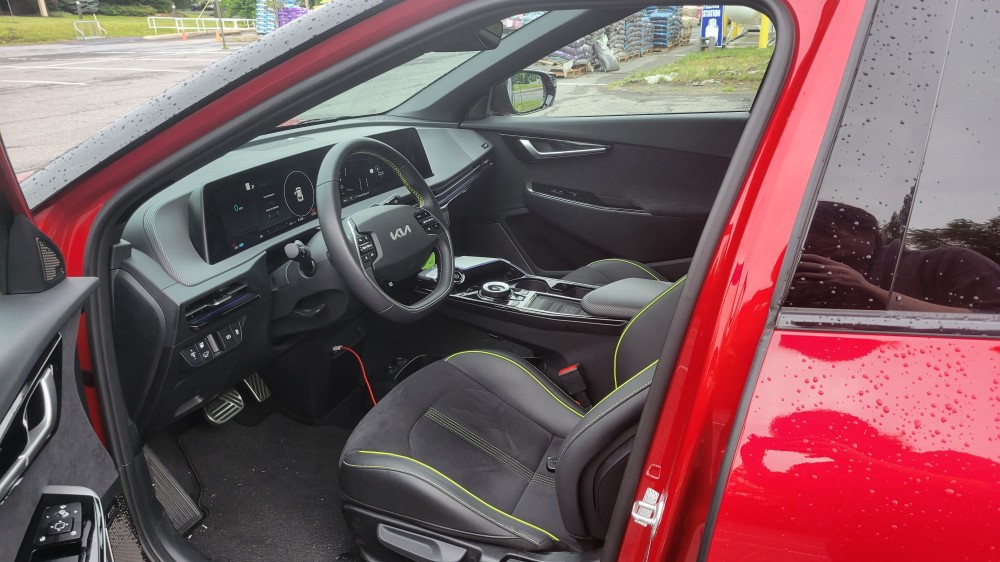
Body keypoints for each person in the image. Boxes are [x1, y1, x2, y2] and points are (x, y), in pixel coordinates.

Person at [786, 201, 1000, 312]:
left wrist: (867, 288)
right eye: (803, 234)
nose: (811, 241)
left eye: (826, 229)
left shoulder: (951, 261)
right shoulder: (806, 279)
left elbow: (989, 323)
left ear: (869, 233)